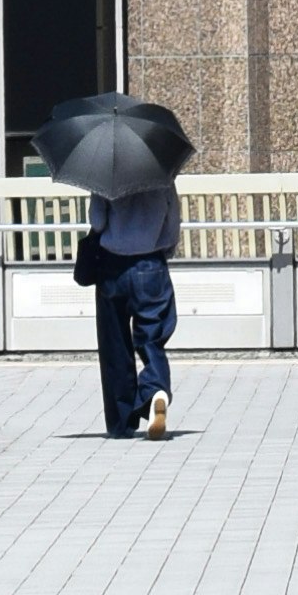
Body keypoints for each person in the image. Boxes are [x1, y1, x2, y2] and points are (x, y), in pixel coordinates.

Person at [81, 168, 181, 436]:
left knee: (115, 345)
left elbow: (98, 221)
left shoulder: (104, 173)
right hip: (151, 263)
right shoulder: (163, 175)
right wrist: (165, 250)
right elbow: (172, 222)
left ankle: (121, 423)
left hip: (112, 265)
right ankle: (156, 391)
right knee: (152, 337)